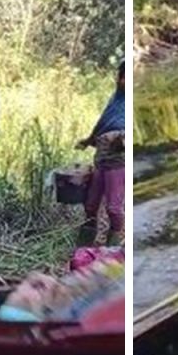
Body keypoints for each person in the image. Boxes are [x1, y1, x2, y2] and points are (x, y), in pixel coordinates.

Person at [77, 61, 125, 246]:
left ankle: (113, 248)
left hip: (118, 160)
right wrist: (89, 140)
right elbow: (103, 122)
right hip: (102, 157)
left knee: (113, 208)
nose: (122, 81)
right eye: (121, 77)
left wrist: (120, 138)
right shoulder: (116, 99)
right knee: (90, 205)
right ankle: (84, 247)